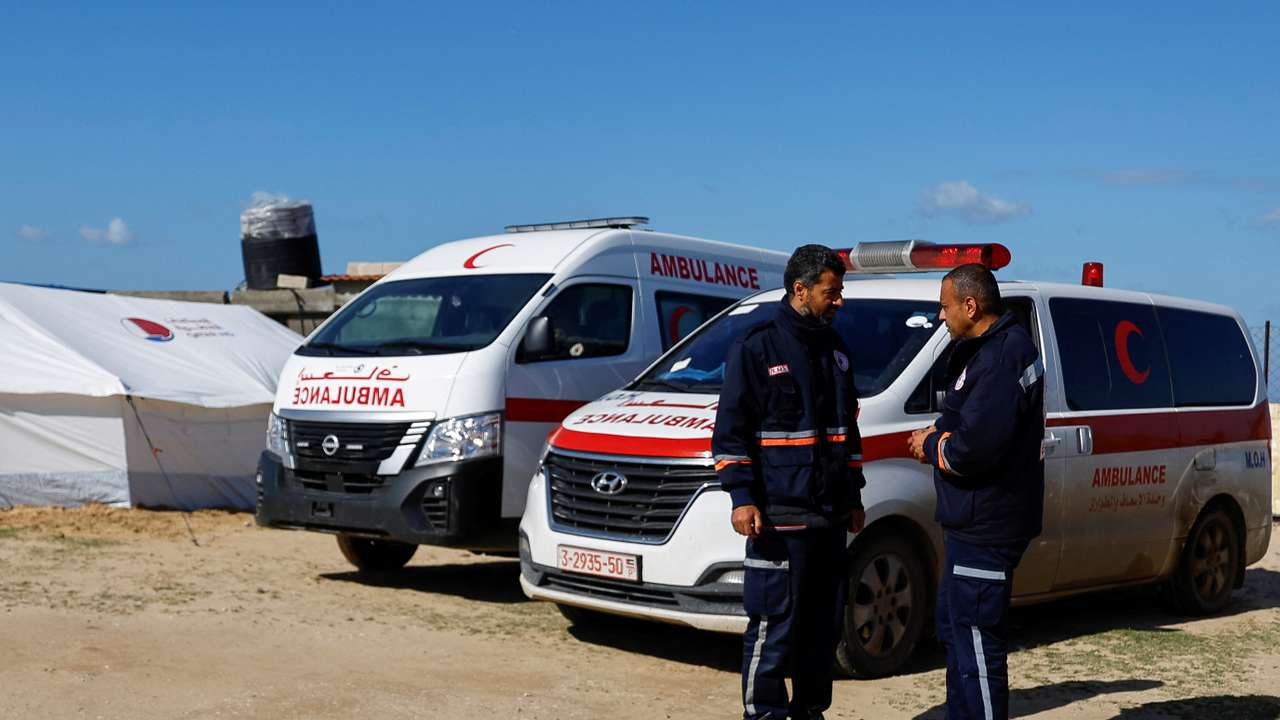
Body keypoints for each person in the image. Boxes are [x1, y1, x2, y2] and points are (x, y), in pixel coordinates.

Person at [713, 244, 867, 720]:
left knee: (822, 631)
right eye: (831, 292)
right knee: (774, 628)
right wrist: (742, 498)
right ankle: (763, 715)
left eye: (839, 291)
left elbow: (849, 432)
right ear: (800, 290)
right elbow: (730, 433)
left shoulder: (836, 350)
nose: (839, 301)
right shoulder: (755, 346)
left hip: (829, 519)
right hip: (778, 519)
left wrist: (854, 495)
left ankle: (810, 712)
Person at [907, 264, 1045, 720]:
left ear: (971, 305)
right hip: (971, 522)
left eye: (945, 307)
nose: (941, 316)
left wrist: (931, 444)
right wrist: (942, 429)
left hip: (988, 522)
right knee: (956, 631)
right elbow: (966, 416)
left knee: (977, 641)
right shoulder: (982, 351)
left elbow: (972, 449)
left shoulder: (1004, 355)